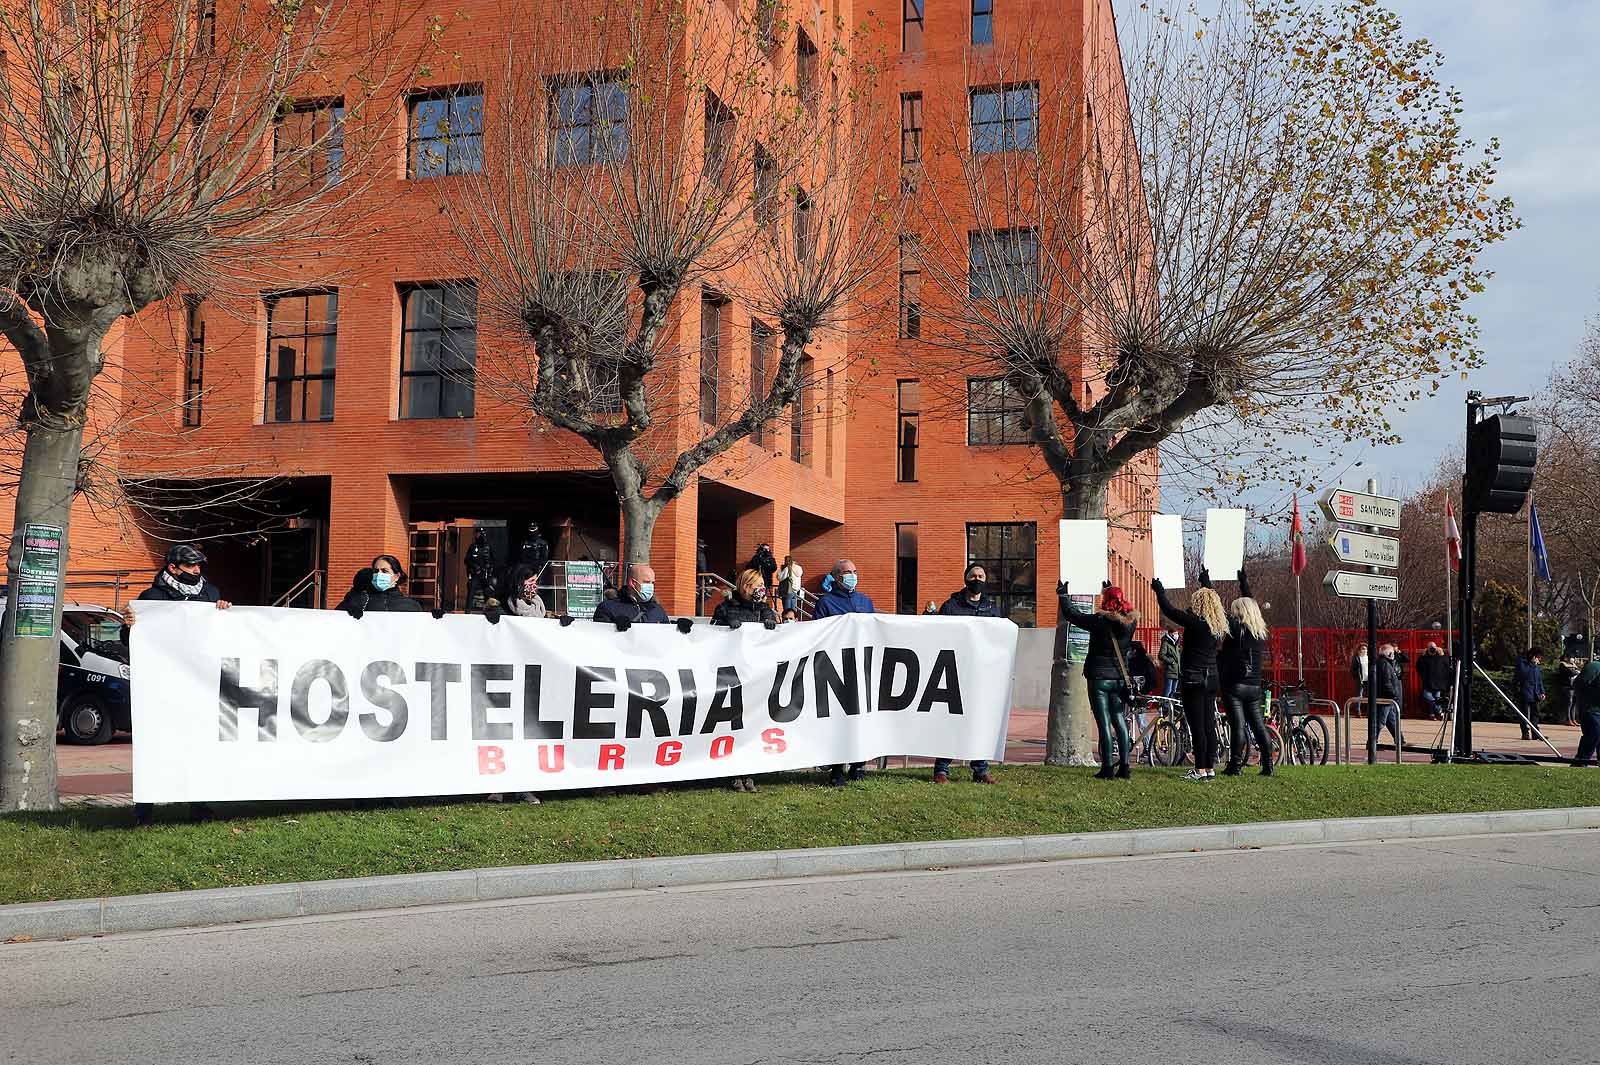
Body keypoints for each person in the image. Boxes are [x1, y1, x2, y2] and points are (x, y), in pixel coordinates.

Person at [128, 543, 231, 827]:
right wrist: (131, 626)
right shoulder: (152, 597)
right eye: (191, 567)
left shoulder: (211, 594)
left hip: (198, 684)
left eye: (199, 566)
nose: (197, 572)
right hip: (162, 684)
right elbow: (137, 641)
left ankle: (199, 805)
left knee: (198, 744)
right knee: (155, 743)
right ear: (172, 568)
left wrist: (225, 613)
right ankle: (144, 810)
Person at [1152, 570, 1227, 781]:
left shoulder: (1195, 623)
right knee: (1208, 724)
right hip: (1212, 678)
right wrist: (1206, 582)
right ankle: (1209, 768)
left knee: (1197, 726)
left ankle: (1200, 769)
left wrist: (1159, 591)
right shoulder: (1217, 625)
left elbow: (1170, 610)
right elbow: (1212, 598)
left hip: (1194, 678)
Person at [1061, 581, 1140, 780]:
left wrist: (1062, 595)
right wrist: (1111, 589)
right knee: (1119, 719)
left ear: (1106, 602)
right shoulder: (1131, 623)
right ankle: (1125, 766)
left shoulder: (1099, 621)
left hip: (1098, 678)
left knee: (1103, 723)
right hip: (1120, 678)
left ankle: (1106, 768)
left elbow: (1073, 615)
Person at [710, 568, 778, 792]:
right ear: (744, 586)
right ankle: (733, 772)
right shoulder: (726, 608)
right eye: (755, 584)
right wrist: (725, 624)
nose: (759, 589)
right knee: (733, 723)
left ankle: (749, 772)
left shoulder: (765, 610)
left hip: (756, 677)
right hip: (732, 676)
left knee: (752, 724)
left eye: (761, 584)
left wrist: (769, 621)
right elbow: (709, 639)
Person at [932, 564, 1000, 784]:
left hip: (981, 672)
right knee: (951, 720)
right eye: (973, 576)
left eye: (981, 576)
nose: (977, 579)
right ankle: (941, 769)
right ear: (966, 579)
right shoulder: (951, 606)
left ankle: (980, 770)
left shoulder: (992, 607)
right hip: (955, 670)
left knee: (978, 720)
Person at [811, 559, 873, 785]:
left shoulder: (865, 602)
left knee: (861, 717)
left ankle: (859, 765)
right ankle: (837, 768)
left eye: (855, 572)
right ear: (836, 576)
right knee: (838, 719)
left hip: (861, 666)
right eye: (848, 572)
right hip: (836, 668)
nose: (852, 576)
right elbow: (817, 632)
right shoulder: (825, 603)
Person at [1219, 569, 1273, 777]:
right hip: (1254, 685)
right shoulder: (1259, 631)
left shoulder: (1236, 628)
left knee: (1238, 726)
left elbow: (1219, 613)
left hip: (1234, 684)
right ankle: (1268, 765)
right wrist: (1244, 583)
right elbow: (1251, 603)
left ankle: (1235, 765)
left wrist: (1207, 585)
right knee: (1259, 726)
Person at [338, 555, 425, 614]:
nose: (379, 574)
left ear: (397, 576)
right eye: (376, 571)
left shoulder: (410, 605)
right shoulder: (359, 600)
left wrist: (436, 619)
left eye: (385, 571)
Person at [594, 563, 671, 625]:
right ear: (632, 583)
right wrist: (612, 626)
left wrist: (677, 628)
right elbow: (599, 637)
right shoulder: (608, 608)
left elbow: (667, 637)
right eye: (646, 582)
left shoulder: (657, 610)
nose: (651, 586)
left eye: (652, 583)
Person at [1371, 643, 1405, 749]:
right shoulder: (1384, 664)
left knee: (1391, 720)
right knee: (1380, 721)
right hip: (1386, 697)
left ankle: (1400, 740)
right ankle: (1372, 742)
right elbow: (1387, 682)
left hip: (1387, 697)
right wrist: (1393, 694)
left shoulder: (1384, 663)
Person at [1512, 647, 1547, 742]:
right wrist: (1532, 664)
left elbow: (1539, 681)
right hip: (1525, 692)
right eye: (1538, 657)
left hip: (1535, 693)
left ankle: (1535, 733)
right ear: (1533, 656)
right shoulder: (1522, 663)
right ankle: (1525, 733)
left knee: (1535, 714)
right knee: (1524, 714)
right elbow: (1523, 675)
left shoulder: (1536, 667)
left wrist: (1542, 692)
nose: (1539, 660)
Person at [1571, 655, 1600, 767]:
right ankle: (1580, 762)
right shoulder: (1595, 667)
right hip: (1591, 710)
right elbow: (1578, 684)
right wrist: (1584, 702)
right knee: (1594, 735)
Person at [1416, 642, 1452, 721]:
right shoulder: (1424, 658)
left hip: (1438, 683)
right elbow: (1418, 667)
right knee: (1430, 697)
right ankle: (1439, 710)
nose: (1432, 649)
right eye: (1430, 647)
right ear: (1427, 648)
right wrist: (1423, 654)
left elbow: (1447, 667)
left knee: (1435, 698)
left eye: (1434, 647)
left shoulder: (1441, 657)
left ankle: (1432, 714)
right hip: (1428, 682)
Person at [465, 528, 497, 612]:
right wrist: (474, 566)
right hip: (475, 574)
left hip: (485, 574)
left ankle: (489, 611)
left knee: (488, 592)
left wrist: (490, 567)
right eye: (478, 534)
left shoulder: (488, 547)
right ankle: (468, 610)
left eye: (481, 534)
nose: (480, 536)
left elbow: (494, 560)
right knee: (471, 591)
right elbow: (467, 560)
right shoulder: (472, 547)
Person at [1559, 656, 1582, 727]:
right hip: (1567, 686)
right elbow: (1570, 672)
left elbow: (1578, 672)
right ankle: (1568, 719)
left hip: (1574, 686)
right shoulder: (1562, 664)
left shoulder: (1573, 665)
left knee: (1574, 703)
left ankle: (1573, 719)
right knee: (1569, 703)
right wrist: (1576, 671)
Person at [1158, 628, 1181, 699]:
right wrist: (1171, 661)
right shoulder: (1166, 642)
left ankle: (1171, 707)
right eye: (1175, 633)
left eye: (1177, 633)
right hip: (1170, 670)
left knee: (1174, 691)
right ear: (1170, 633)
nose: (1176, 635)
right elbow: (1161, 655)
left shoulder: (1176, 644)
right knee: (1168, 691)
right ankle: (1165, 707)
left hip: (1176, 671)